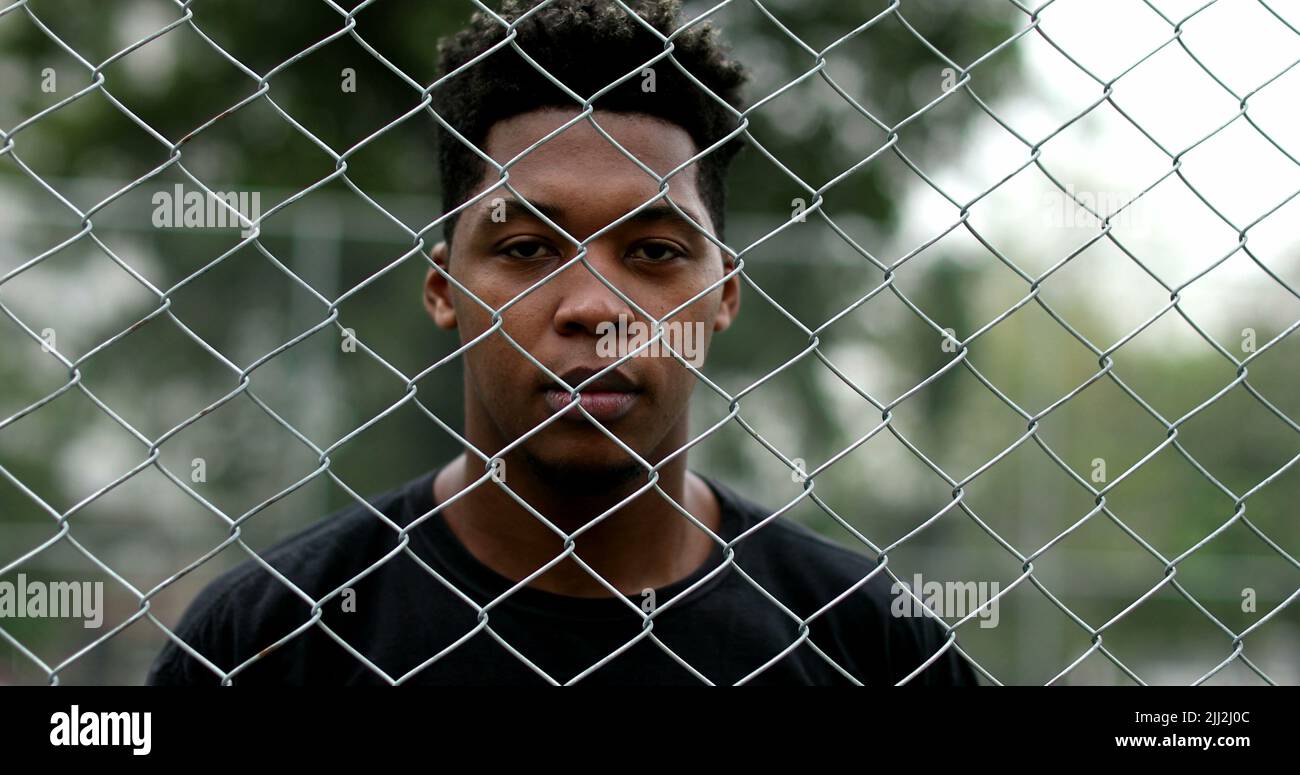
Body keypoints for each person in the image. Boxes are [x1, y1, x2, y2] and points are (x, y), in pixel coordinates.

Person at [147, 0, 980, 686]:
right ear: (445, 289)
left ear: (723, 294)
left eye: (653, 253)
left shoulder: (868, 643)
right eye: (526, 249)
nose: (594, 307)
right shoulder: (265, 640)